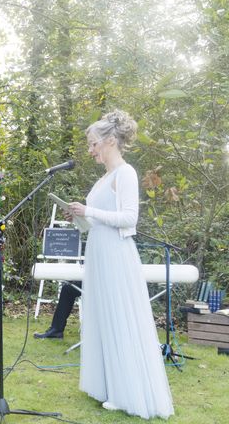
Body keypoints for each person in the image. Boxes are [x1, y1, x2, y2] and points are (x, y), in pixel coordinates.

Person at [67, 110, 173, 419]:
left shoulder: (126, 173)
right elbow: (96, 223)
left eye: (93, 144)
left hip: (116, 254)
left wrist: (90, 211)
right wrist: (79, 217)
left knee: (119, 318)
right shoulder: (103, 178)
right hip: (98, 251)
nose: (91, 151)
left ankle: (128, 392)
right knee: (102, 318)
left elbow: (129, 219)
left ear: (111, 140)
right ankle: (109, 386)